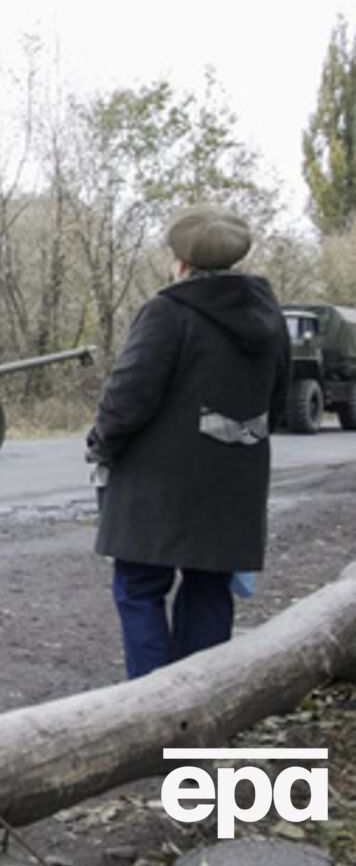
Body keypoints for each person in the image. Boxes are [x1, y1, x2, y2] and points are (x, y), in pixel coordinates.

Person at [85, 204, 290, 679]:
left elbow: (128, 395)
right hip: (233, 481)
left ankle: (152, 713)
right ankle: (197, 710)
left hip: (159, 487)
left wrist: (102, 444)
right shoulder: (268, 317)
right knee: (209, 592)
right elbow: (276, 400)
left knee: (139, 588)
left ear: (182, 262)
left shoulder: (168, 312)